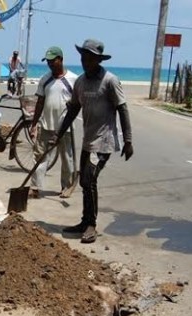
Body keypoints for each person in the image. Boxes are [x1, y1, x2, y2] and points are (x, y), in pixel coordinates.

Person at [55, 39, 133, 244]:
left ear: (97, 60)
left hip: (104, 143)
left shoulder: (110, 81)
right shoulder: (80, 82)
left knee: (89, 180)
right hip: (88, 141)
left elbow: (122, 109)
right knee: (84, 181)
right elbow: (73, 109)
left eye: (89, 58)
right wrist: (59, 133)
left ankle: (91, 225)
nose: (85, 61)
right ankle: (85, 221)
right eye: (83, 57)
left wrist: (128, 140)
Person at [28, 46, 78, 199]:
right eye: (48, 61)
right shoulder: (45, 79)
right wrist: (34, 123)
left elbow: (78, 104)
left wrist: (73, 104)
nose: (50, 64)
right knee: (40, 157)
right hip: (46, 125)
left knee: (67, 158)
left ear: (61, 60)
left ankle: (67, 186)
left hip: (65, 127)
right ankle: (35, 187)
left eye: (53, 61)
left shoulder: (73, 79)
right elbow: (40, 102)